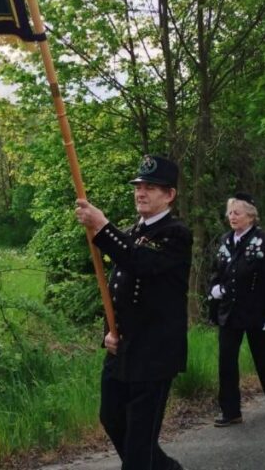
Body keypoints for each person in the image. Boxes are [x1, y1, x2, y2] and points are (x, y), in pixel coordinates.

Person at [74, 154, 192, 470]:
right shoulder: (133, 231)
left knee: (139, 441)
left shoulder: (175, 234)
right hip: (122, 347)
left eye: (151, 187)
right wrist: (108, 333)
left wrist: (102, 226)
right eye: (139, 186)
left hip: (154, 353)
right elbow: (118, 291)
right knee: (111, 418)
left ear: (169, 195)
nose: (141, 192)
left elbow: (141, 263)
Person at [207, 192, 265, 426]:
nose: (232, 217)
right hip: (229, 312)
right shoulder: (225, 240)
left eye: (237, 213)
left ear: (250, 216)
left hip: (257, 312)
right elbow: (216, 270)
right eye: (230, 213)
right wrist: (214, 288)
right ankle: (231, 411)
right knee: (226, 361)